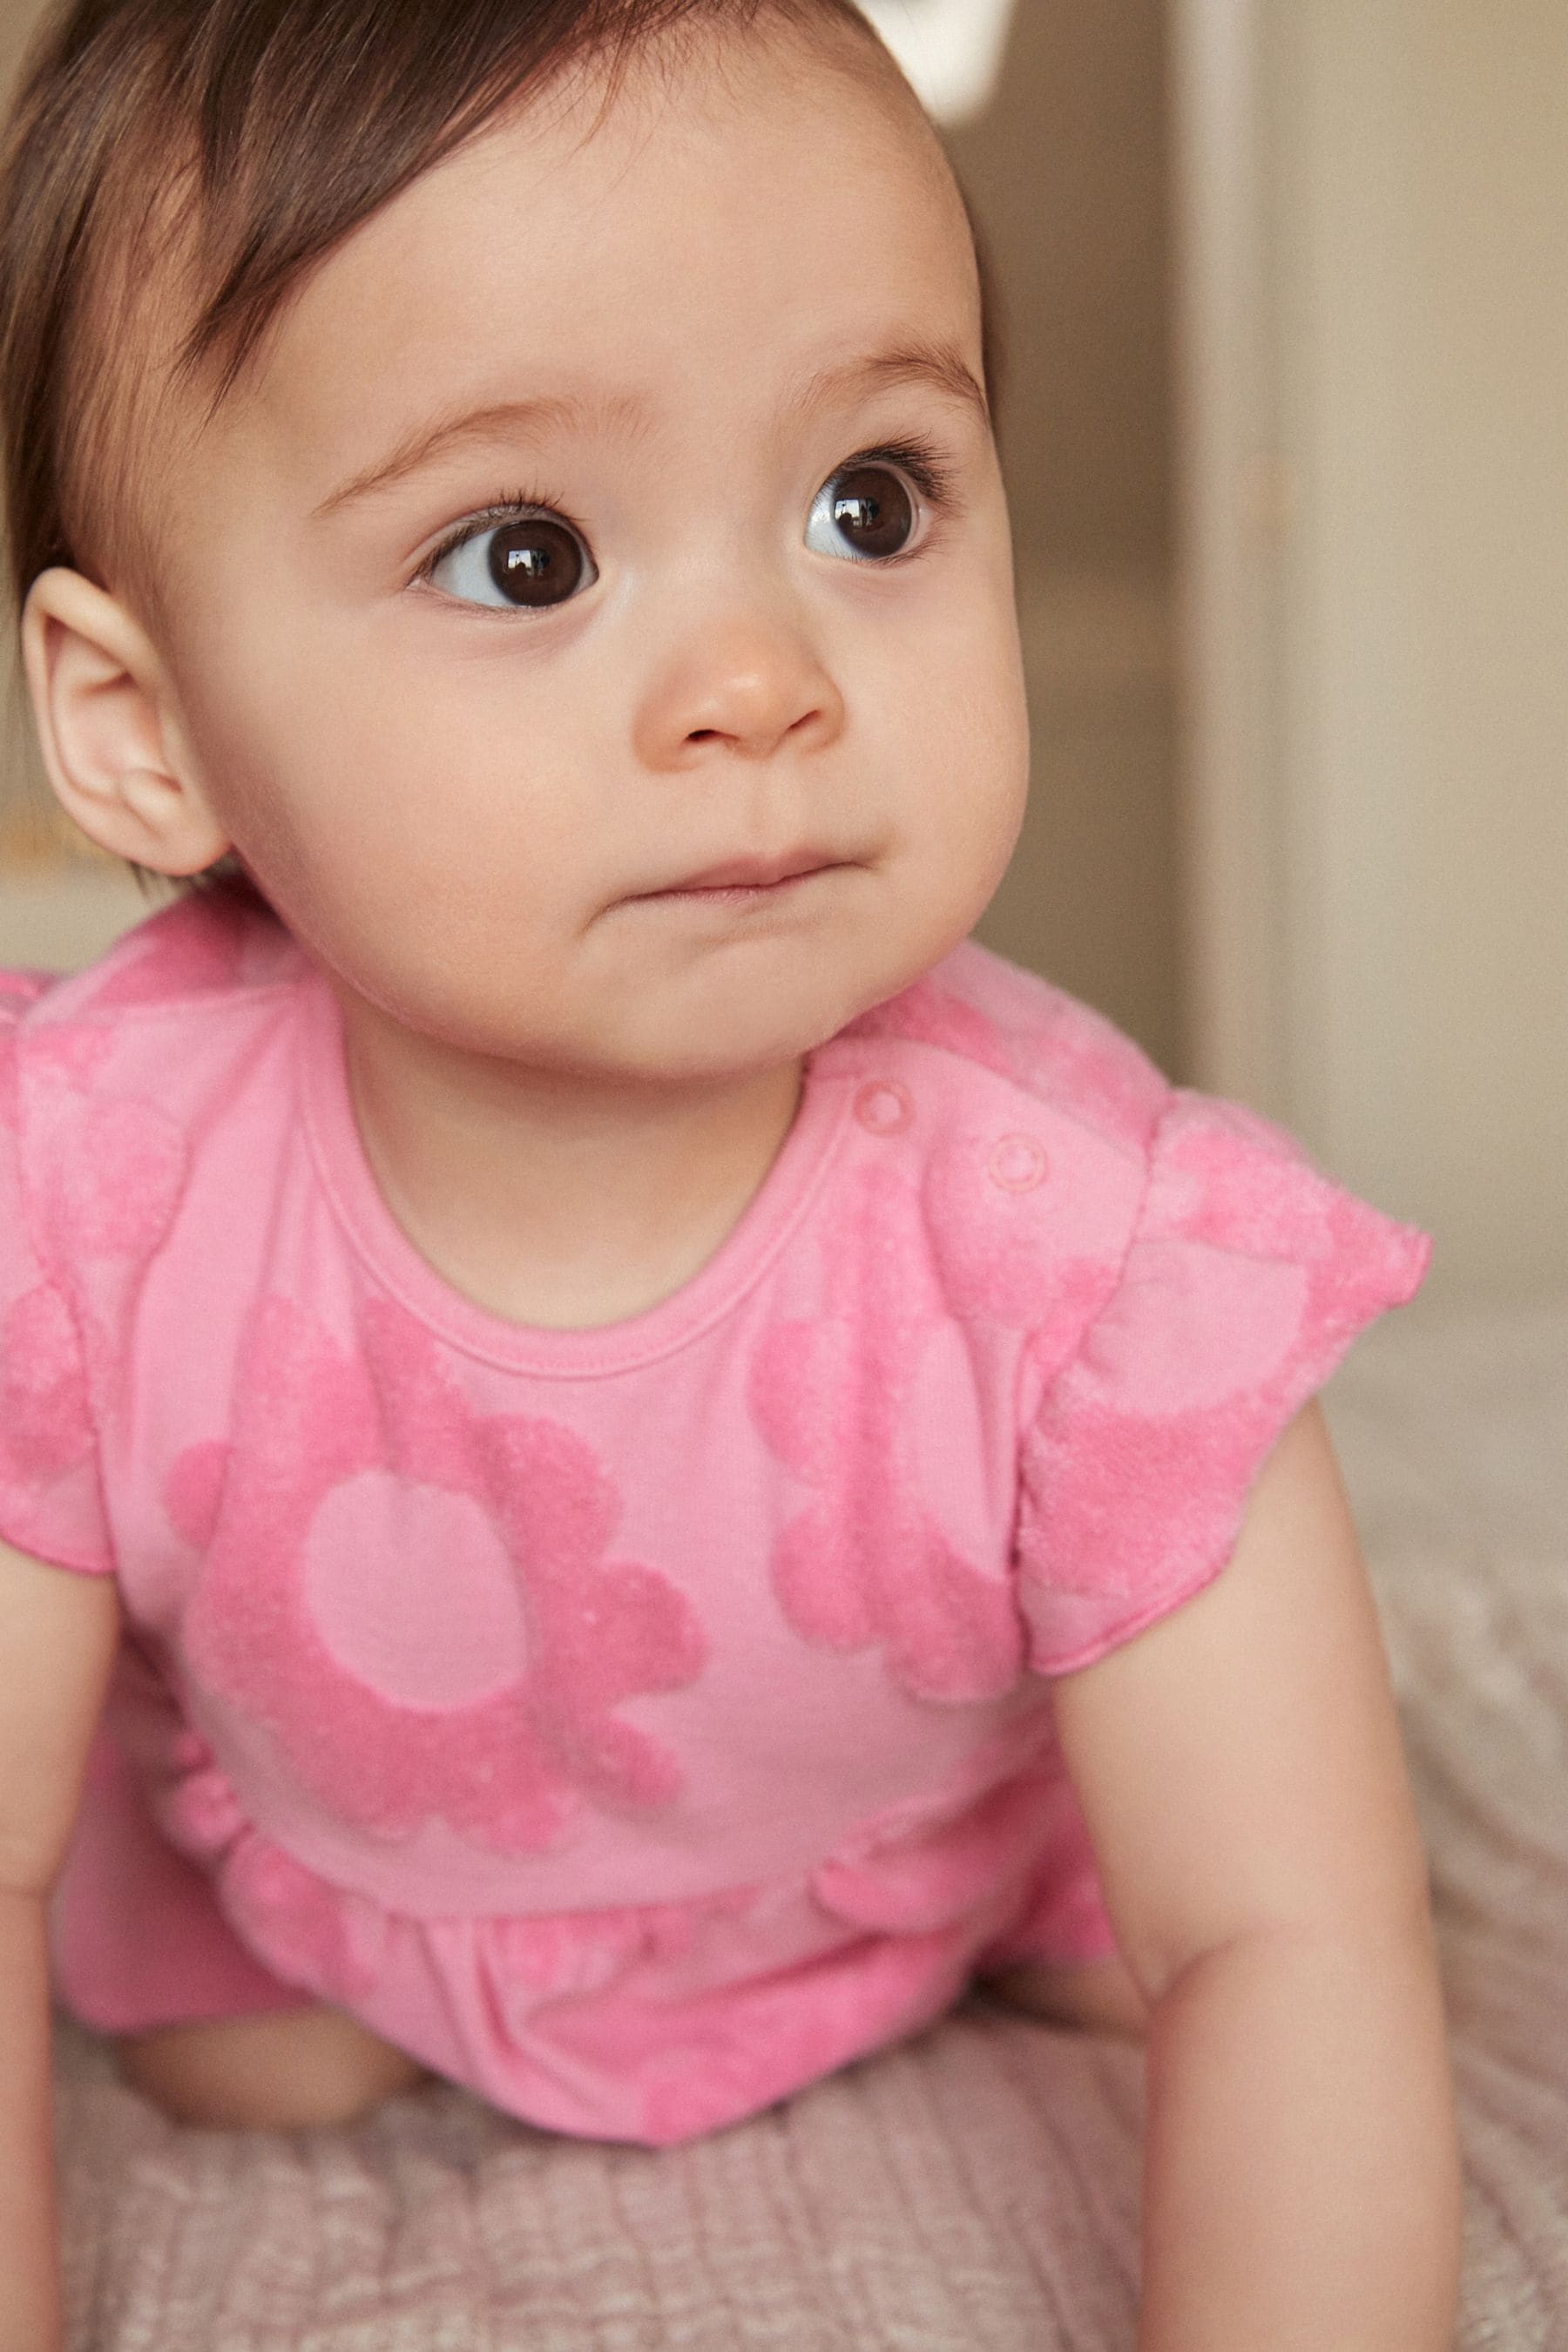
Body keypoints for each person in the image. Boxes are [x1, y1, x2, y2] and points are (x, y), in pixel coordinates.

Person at [0, 0, 1463, 2343]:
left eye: (869, 499)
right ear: (148, 733)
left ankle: (928, 1931)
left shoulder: (1091, 1256)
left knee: (1184, 1948)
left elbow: (1292, 1927)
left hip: (938, 1863)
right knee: (238, 2061)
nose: (761, 671)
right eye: (524, 553)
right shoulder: (79, 1201)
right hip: (344, 1876)